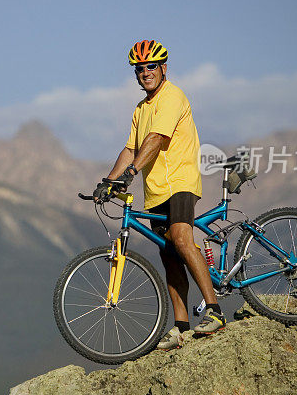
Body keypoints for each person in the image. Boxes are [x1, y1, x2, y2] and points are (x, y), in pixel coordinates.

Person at [93, 39, 224, 351]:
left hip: (180, 181)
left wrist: (131, 173)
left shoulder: (172, 96)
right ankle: (180, 326)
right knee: (169, 257)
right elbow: (131, 148)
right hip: (155, 192)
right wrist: (108, 181)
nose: (145, 73)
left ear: (163, 68)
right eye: (140, 69)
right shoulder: (141, 109)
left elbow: (156, 139)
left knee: (181, 238)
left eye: (151, 66)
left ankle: (215, 311)